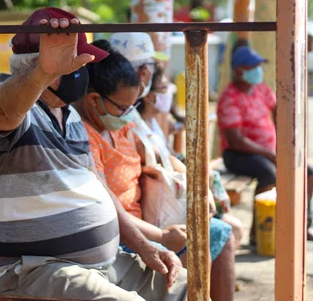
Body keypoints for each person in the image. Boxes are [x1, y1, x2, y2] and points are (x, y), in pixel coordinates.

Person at [0, 7, 187, 301]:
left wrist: (145, 246)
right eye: (74, 63)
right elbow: (5, 110)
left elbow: (100, 189)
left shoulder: (70, 116)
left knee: (188, 288)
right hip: (30, 271)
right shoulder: (5, 103)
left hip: (100, 264)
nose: (83, 71)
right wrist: (42, 73)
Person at [75, 37, 235, 301]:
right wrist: (159, 236)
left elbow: (158, 154)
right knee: (187, 254)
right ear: (94, 100)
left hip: (148, 218)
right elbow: (108, 205)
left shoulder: (120, 122)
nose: (129, 114)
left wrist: (197, 186)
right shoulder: (85, 135)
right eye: (124, 108)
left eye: (132, 107)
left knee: (215, 234)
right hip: (124, 232)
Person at [140, 64, 243, 249]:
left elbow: (170, 156)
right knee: (231, 230)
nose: (169, 93)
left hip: (177, 195)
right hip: (169, 203)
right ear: (147, 94)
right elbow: (166, 160)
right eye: (164, 89)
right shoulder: (138, 127)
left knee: (233, 229)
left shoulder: (155, 122)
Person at [217, 46, 313, 242]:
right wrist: (270, 154)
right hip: (237, 154)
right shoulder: (229, 97)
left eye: (259, 66)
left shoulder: (260, 89)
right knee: (268, 174)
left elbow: (277, 107)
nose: (258, 70)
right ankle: (260, 232)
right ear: (238, 71)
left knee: (308, 172)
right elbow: (236, 140)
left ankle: (305, 224)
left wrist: (283, 140)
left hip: (267, 151)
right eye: (253, 66)